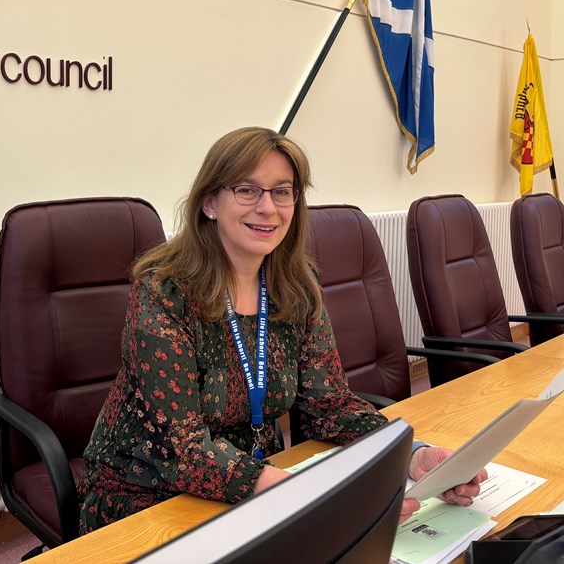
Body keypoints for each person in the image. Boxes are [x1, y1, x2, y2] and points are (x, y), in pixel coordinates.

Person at [78, 127, 486, 533]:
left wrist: (410, 455)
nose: (268, 208)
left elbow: (329, 407)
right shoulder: (162, 292)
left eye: (281, 191)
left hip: (255, 478)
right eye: (247, 190)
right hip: (145, 491)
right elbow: (183, 448)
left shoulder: (297, 289)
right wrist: (306, 493)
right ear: (209, 203)